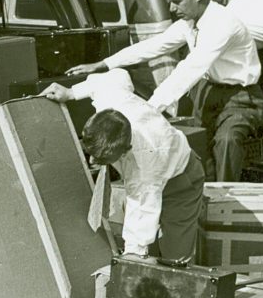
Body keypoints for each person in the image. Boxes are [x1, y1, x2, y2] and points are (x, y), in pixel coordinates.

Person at [68, 0, 262, 182]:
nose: (171, 8)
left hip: (241, 98)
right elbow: (154, 46)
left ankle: (226, 197)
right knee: (196, 142)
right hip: (209, 91)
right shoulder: (190, 23)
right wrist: (104, 64)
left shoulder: (222, 24)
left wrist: (148, 110)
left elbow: (190, 69)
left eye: (177, 1)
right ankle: (202, 194)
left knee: (227, 141)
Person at [43, 70, 205, 262]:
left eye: (101, 159)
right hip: (154, 173)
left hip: (180, 180)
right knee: (148, 251)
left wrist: (132, 255)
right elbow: (118, 75)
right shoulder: (111, 101)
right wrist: (71, 92)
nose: (92, 162)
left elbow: (142, 208)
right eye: (90, 154)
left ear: (124, 151)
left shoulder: (145, 168)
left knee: (175, 256)